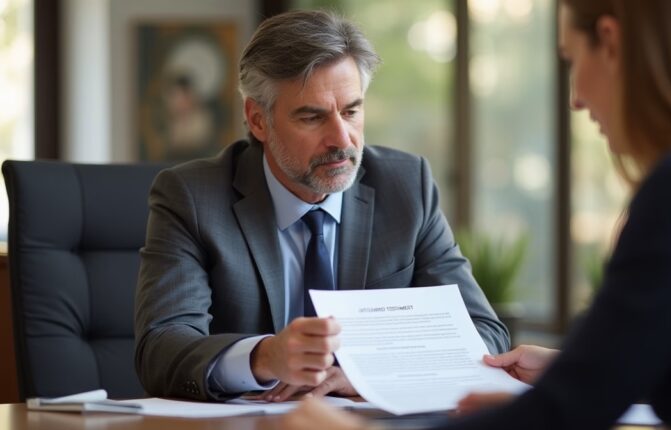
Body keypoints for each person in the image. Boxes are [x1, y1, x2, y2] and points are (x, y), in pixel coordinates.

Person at [279, 0, 671, 428]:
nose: (575, 98)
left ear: (611, 43)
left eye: (571, 60)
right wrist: (573, 369)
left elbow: (569, 412)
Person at [133, 9, 510, 402]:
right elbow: (160, 349)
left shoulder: (406, 186)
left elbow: (485, 332)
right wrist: (263, 358)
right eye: (312, 117)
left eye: (351, 111)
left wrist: (364, 374)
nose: (341, 139)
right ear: (258, 121)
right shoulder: (192, 197)